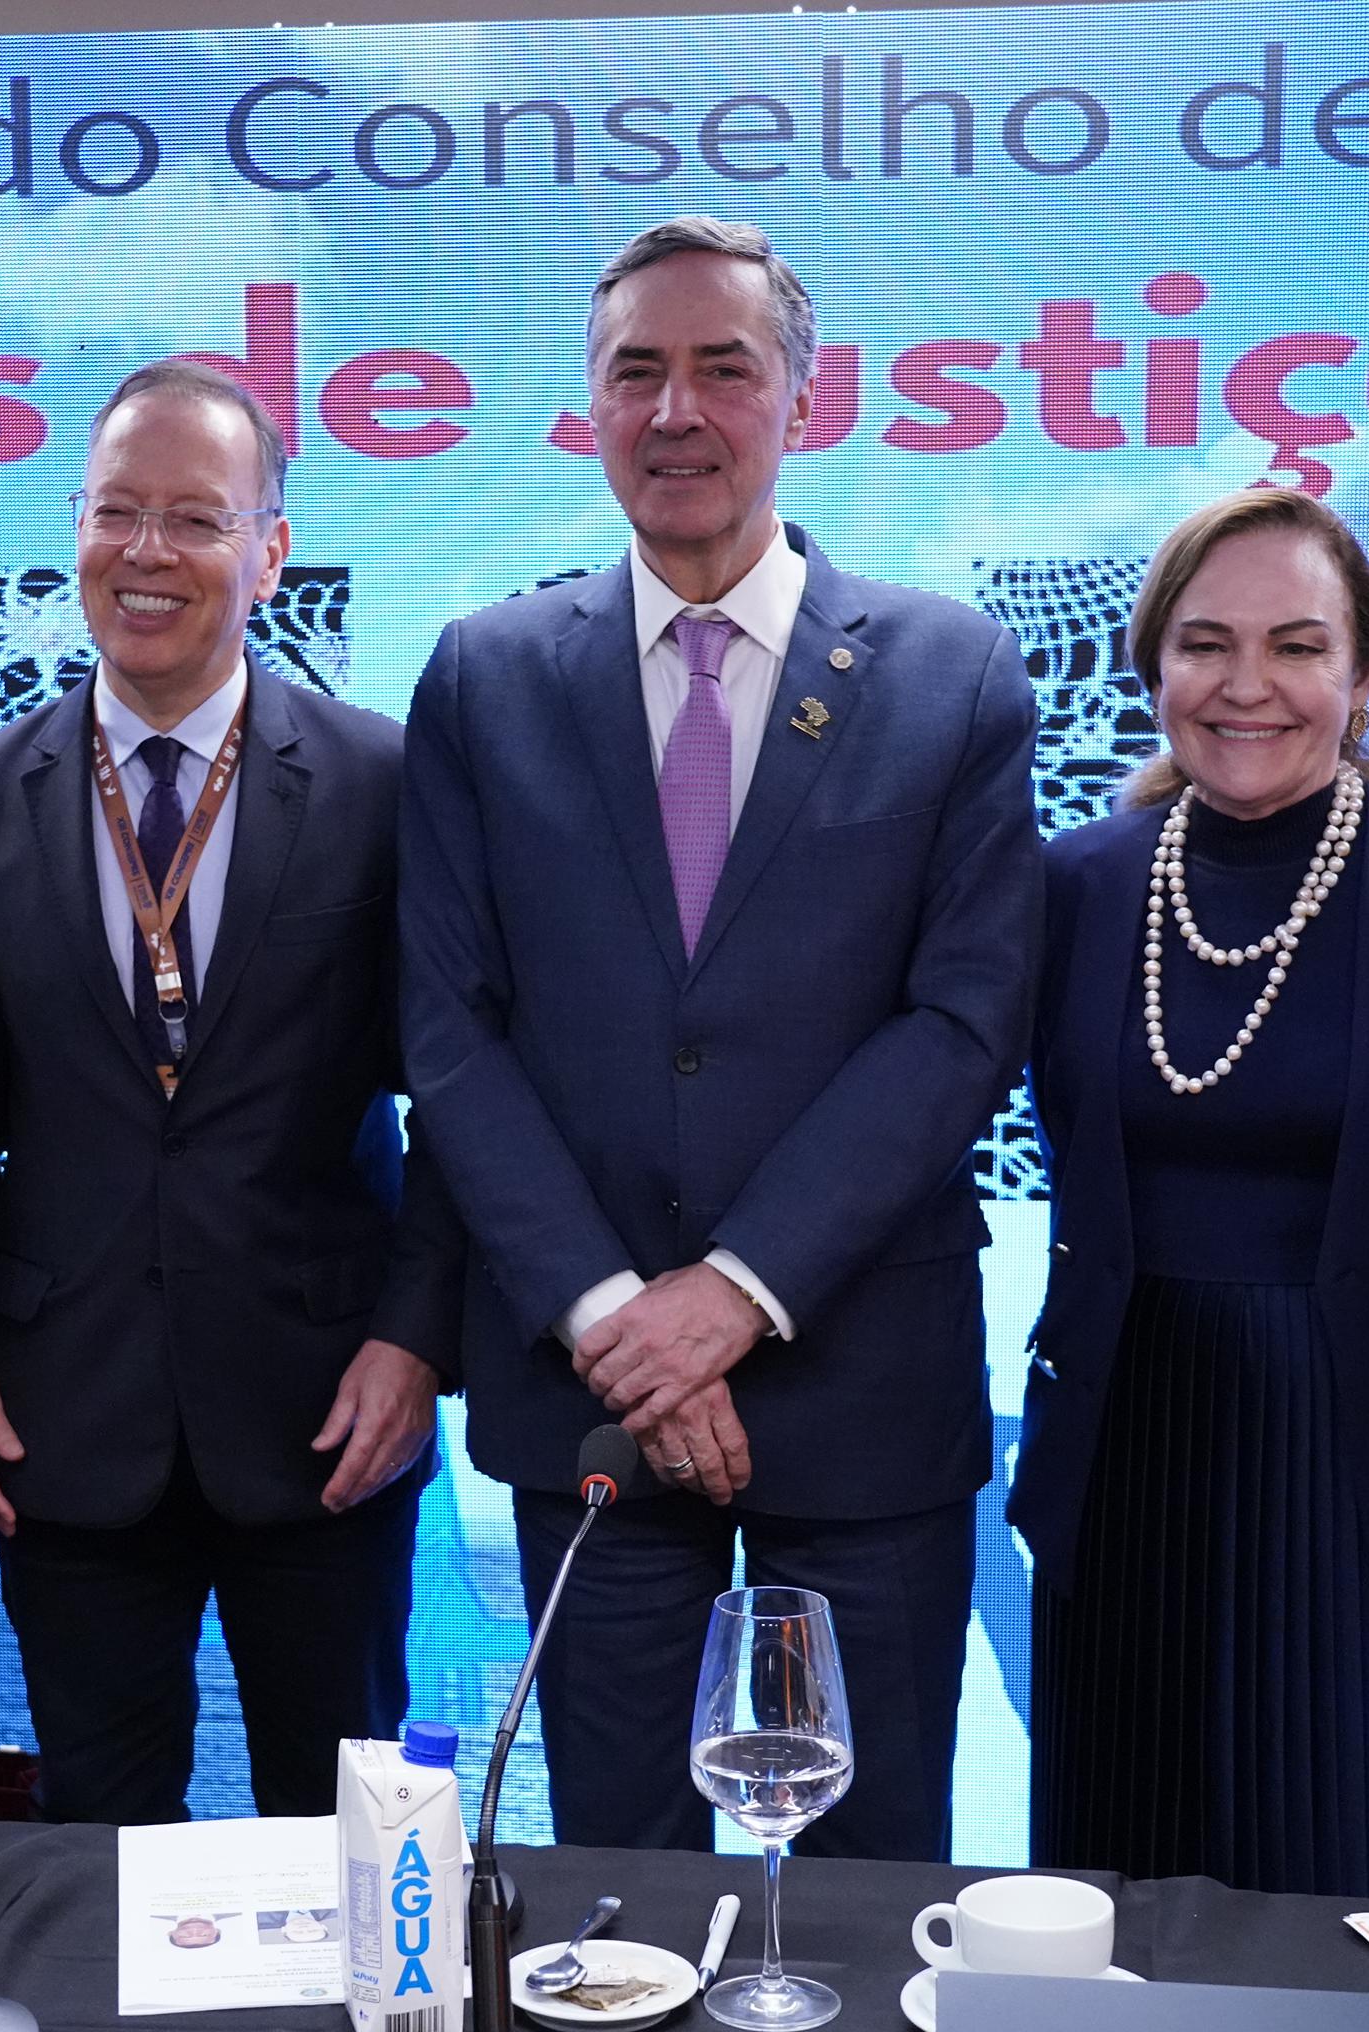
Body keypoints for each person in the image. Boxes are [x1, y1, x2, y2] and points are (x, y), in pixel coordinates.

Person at [400, 217, 1041, 1860]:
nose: (676, 409)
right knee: (611, 1874)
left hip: (857, 1374)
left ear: (803, 401)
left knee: (873, 1864)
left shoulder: (953, 675)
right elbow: (449, 1033)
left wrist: (733, 1294)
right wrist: (624, 1316)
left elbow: (961, 1024)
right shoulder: (484, 678)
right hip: (587, 1384)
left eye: (722, 369)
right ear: (589, 408)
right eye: (636, 373)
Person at [0, 362, 462, 1824]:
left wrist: (415, 1341)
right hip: (59, 1424)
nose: (148, 553)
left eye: (197, 520)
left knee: (349, 1843)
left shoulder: (383, 784)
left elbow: (463, 1098)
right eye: (117, 512)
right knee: (97, 1857)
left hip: (328, 1420)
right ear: (74, 528)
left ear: (269, 550)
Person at [1008, 489, 1369, 1901]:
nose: (1248, 686)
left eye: (1298, 646)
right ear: (1153, 668)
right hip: (1127, 1466)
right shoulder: (1069, 884)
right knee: (1119, 1938)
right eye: (1206, 645)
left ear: (1366, 673)